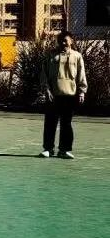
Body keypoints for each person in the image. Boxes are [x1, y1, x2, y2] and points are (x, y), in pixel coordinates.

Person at [40, 31, 88, 159]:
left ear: (71, 41)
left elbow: (81, 74)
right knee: (50, 123)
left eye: (65, 40)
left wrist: (82, 92)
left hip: (70, 95)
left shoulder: (77, 56)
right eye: (60, 40)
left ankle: (64, 150)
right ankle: (48, 149)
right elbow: (44, 73)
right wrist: (46, 89)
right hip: (53, 95)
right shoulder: (51, 55)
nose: (63, 43)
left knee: (66, 123)